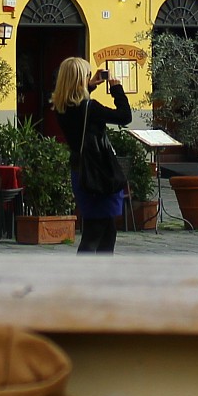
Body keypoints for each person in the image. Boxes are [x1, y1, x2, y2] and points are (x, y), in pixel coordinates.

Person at [52, 56, 131, 255]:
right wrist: (117, 89)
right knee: (95, 233)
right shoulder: (91, 107)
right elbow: (124, 116)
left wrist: (90, 86)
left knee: (106, 229)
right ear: (80, 79)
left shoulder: (61, 107)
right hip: (100, 174)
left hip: (81, 172)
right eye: (87, 75)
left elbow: (77, 106)